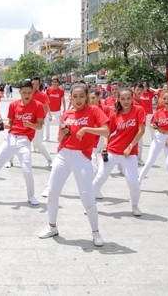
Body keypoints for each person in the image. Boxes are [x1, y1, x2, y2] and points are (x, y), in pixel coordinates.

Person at [38, 82, 109, 247]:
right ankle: (52, 226)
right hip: (63, 155)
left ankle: (96, 232)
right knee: (52, 192)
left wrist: (86, 129)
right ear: (70, 97)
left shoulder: (94, 111)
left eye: (81, 96)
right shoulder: (67, 114)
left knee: (86, 197)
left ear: (86, 97)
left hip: (82, 157)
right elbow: (59, 139)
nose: (78, 100)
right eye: (75, 96)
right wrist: (62, 135)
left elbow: (106, 131)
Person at [0, 80, 44, 206]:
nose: (26, 95)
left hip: (24, 141)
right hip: (10, 139)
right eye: (24, 93)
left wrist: (29, 124)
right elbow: (11, 125)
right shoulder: (13, 105)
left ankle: (31, 195)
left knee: (27, 170)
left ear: (32, 92)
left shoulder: (38, 105)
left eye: (29, 92)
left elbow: (39, 126)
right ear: (20, 92)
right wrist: (1, 126)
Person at [92, 88, 146, 216]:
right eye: (123, 99)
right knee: (100, 177)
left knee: (133, 182)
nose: (126, 101)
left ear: (132, 98)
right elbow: (107, 133)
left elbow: (141, 130)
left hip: (130, 153)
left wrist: (131, 146)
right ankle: (89, 203)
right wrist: (105, 147)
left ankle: (135, 206)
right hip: (113, 150)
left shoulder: (139, 110)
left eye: (128, 98)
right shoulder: (114, 114)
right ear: (118, 100)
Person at [138, 89, 168, 193]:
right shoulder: (159, 112)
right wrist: (153, 125)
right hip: (158, 137)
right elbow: (151, 124)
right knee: (150, 161)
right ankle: (138, 182)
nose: (166, 101)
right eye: (164, 98)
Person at [30, 77, 53, 166]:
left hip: (38, 123)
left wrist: (42, 119)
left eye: (37, 84)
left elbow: (46, 108)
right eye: (33, 84)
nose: (35, 86)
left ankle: (49, 159)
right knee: (18, 140)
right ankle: (10, 160)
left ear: (39, 85)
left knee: (37, 143)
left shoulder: (42, 95)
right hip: (27, 121)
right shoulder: (28, 94)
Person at [44, 77, 66, 142]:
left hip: (58, 110)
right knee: (47, 123)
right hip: (49, 110)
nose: (54, 83)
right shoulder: (48, 90)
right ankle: (47, 137)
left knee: (61, 124)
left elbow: (63, 99)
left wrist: (64, 108)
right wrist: (47, 111)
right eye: (53, 81)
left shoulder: (61, 90)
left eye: (55, 82)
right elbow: (46, 100)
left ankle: (60, 136)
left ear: (57, 83)